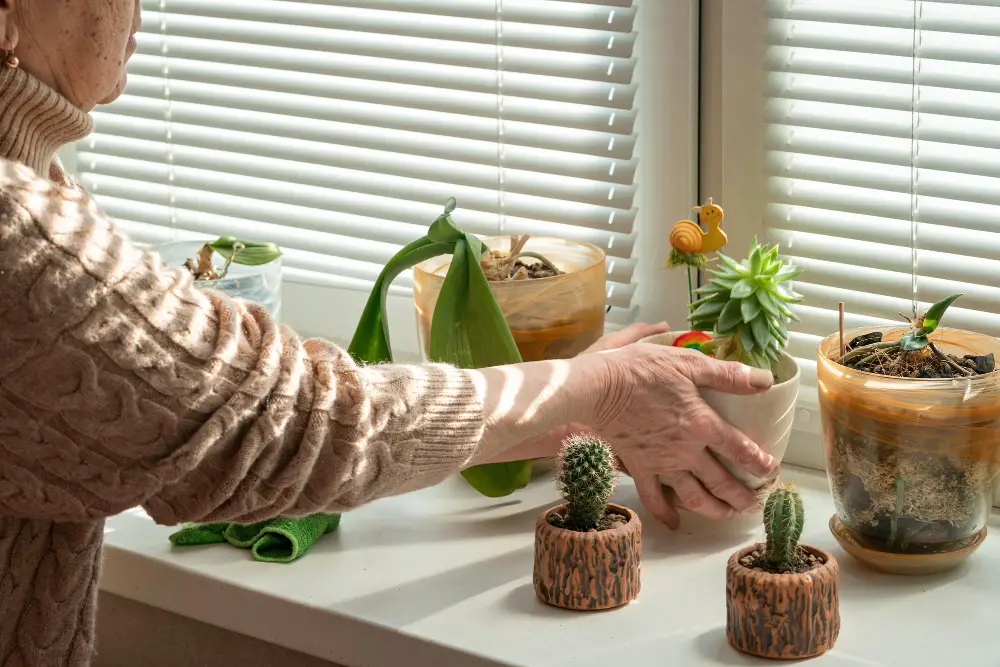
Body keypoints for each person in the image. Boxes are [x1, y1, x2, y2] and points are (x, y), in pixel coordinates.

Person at [0, 2, 777, 665]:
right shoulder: (20, 233)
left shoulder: (30, 184)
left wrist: (572, 402)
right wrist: (595, 389)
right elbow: (285, 419)